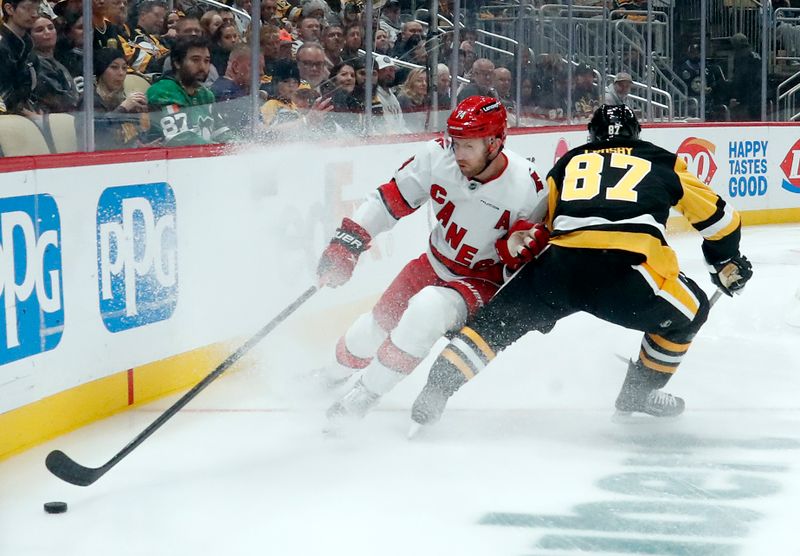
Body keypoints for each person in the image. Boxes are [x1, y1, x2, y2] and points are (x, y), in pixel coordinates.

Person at [409, 104, 753, 430]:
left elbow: (536, 222)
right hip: (627, 274)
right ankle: (638, 392)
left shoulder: (568, 162)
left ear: (591, 136)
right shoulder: (661, 161)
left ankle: (436, 389)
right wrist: (724, 262)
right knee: (692, 311)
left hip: (560, 268)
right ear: (636, 134)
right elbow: (721, 220)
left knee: (494, 326)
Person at [314, 96, 550, 423]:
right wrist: (351, 238)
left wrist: (516, 253)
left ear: (495, 144)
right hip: (433, 263)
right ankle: (330, 376)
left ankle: (365, 395)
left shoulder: (529, 186)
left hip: (478, 281)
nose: (458, 154)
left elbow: (525, 257)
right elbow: (392, 198)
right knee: (371, 330)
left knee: (424, 312)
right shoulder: (437, 155)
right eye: (456, 143)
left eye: (469, 146)